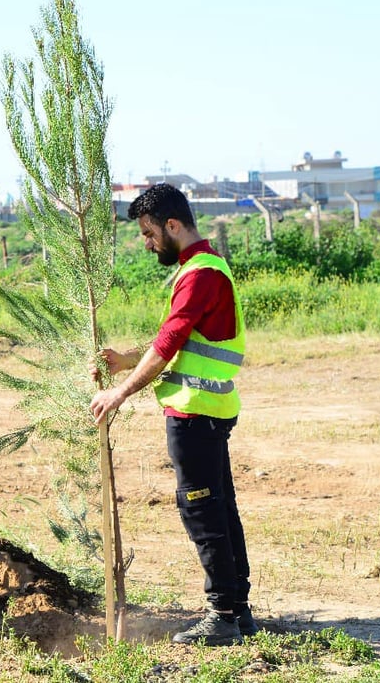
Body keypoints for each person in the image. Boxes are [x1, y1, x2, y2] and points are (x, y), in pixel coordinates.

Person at [89, 183, 256, 647]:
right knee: (220, 509)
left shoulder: (200, 273)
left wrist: (119, 392)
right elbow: (175, 337)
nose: (146, 243)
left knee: (202, 511)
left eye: (148, 233)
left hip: (194, 414)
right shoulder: (203, 268)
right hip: (209, 410)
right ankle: (238, 612)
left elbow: (169, 345)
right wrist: (126, 358)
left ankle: (222, 616)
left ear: (173, 225)